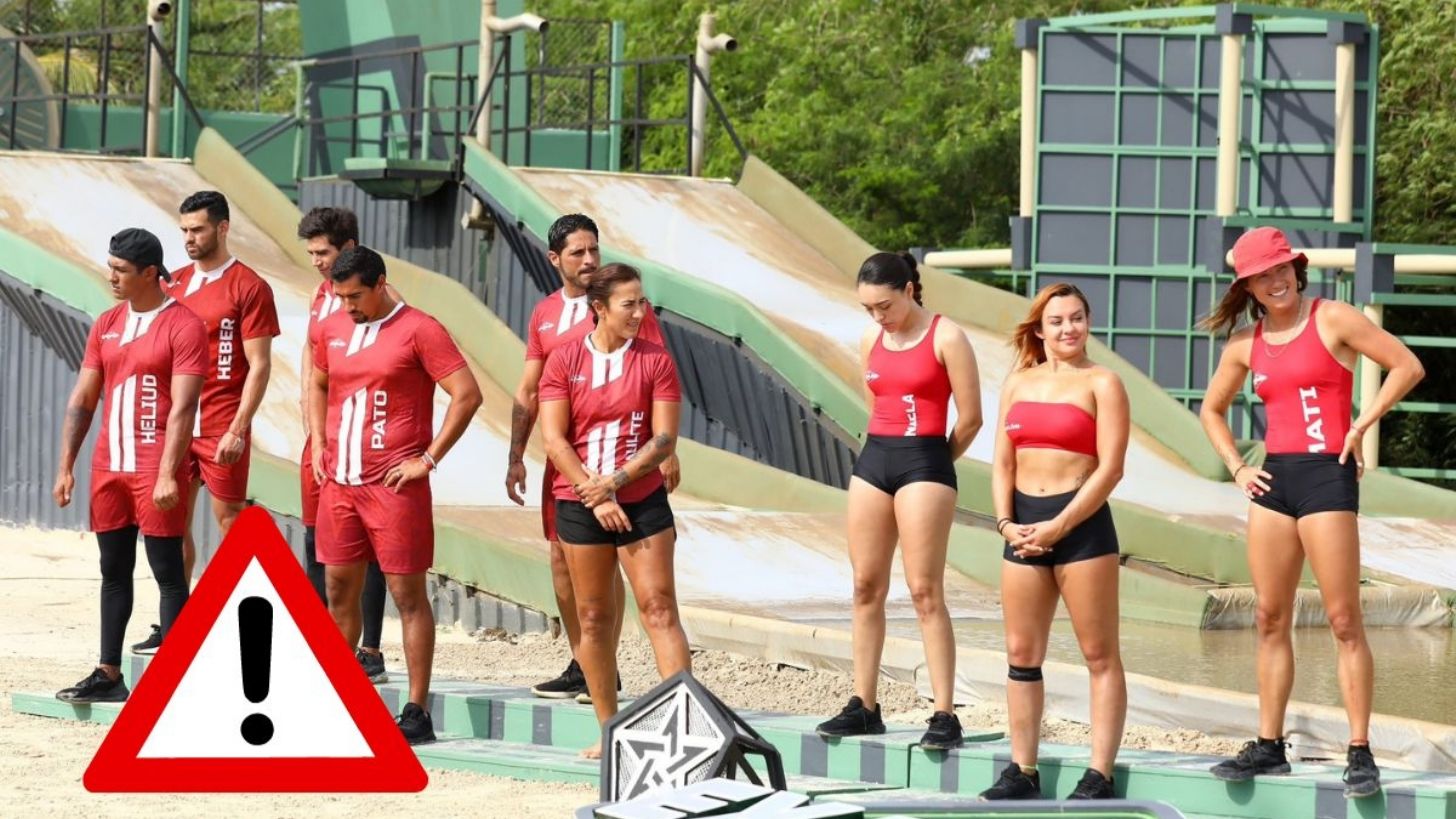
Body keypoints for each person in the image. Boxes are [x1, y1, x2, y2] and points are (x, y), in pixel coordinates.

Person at [1199, 227, 1424, 799]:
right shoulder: (1245, 343)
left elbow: (1406, 366)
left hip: (1328, 474)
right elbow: (1211, 410)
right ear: (1248, 287)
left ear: (1296, 269)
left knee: (1343, 619)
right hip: (1274, 480)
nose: (1275, 282)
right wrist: (1237, 467)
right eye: (1261, 276)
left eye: (1281, 269)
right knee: (1269, 617)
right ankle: (1269, 746)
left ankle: (1359, 750)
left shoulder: (1334, 318)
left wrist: (1361, 424)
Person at [309, 246, 483, 744]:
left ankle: (416, 710)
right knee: (337, 591)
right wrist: (318, 440)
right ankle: (338, 701)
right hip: (340, 484)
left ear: (381, 284)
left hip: (394, 488)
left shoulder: (419, 329)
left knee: (407, 596)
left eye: (356, 296)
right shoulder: (332, 327)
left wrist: (427, 459)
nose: (348, 306)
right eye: (341, 297)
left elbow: (467, 394)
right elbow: (319, 383)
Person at [507, 213, 678, 704]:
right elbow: (529, 391)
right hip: (571, 470)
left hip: (631, 466)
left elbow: (657, 395)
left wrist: (662, 457)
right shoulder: (545, 315)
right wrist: (516, 454)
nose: (588, 259)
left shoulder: (634, 315)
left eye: (594, 250)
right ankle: (584, 666)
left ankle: (637, 685)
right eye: (577, 252)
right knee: (565, 568)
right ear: (555, 259)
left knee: (651, 595)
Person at [816, 252, 982, 751]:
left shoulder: (947, 337)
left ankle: (945, 713)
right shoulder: (872, 338)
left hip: (925, 457)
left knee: (924, 589)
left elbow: (971, 418)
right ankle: (864, 706)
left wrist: (935, 462)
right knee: (865, 585)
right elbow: (877, 404)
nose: (878, 316)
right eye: (868, 308)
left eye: (884, 306)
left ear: (909, 289)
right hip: (876, 457)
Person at [978, 283, 1129, 801]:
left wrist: (1060, 526)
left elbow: (1111, 469)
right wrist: (1005, 522)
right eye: (1058, 320)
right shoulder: (1018, 382)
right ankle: (1023, 769)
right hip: (1023, 527)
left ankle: (1100, 773)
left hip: (1082, 528)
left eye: (1077, 318)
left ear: (1089, 322)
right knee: (1021, 653)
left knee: (1099, 653)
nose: (1069, 328)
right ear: (1040, 330)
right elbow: (1002, 463)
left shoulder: (1103, 382)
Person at [538, 262, 689, 758]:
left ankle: (684, 729)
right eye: (630, 304)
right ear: (599, 308)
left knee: (659, 607)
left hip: (641, 499)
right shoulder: (564, 360)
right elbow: (555, 439)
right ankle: (608, 729)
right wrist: (596, 494)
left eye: (642, 302)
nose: (640, 312)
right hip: (581, 502)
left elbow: (664, 439)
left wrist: (617, 483)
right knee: (593, 616)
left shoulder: (656, 360)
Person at [53, 228, 207, 702]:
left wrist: (168, 472)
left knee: (167, 571)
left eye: (121, 270)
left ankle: (177, 682)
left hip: (154, 465)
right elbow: (83, 399)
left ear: (149, 273)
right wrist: (66, 466)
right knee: (113, 570)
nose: (112, 276)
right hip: (109, 466)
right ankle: (108, 673)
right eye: (111, 267)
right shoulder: (106, 323)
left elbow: (184, 406)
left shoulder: (184, 325)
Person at [132, 191, 279, 656]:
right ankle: (176, 619)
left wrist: (238, 427)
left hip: (220, 424)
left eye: (197, 229)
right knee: (170, 524)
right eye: (184, 230)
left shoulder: (249, 286)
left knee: (231, 520)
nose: (189, 238)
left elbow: (259, 365)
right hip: (175, 426)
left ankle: (245, 619)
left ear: (222, 228)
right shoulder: (172, 283)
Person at [296, 206, 391, 683]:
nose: (316, 261)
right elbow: (310, 355)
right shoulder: (321, 293)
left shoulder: (379, 299)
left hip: (363, 443)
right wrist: (312, 424)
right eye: (311, 253)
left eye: (323, 252)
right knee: (318, 539)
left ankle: (369, 649)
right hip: (323, 439)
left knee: (366, 548)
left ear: (349, 248)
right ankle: (320, 642)